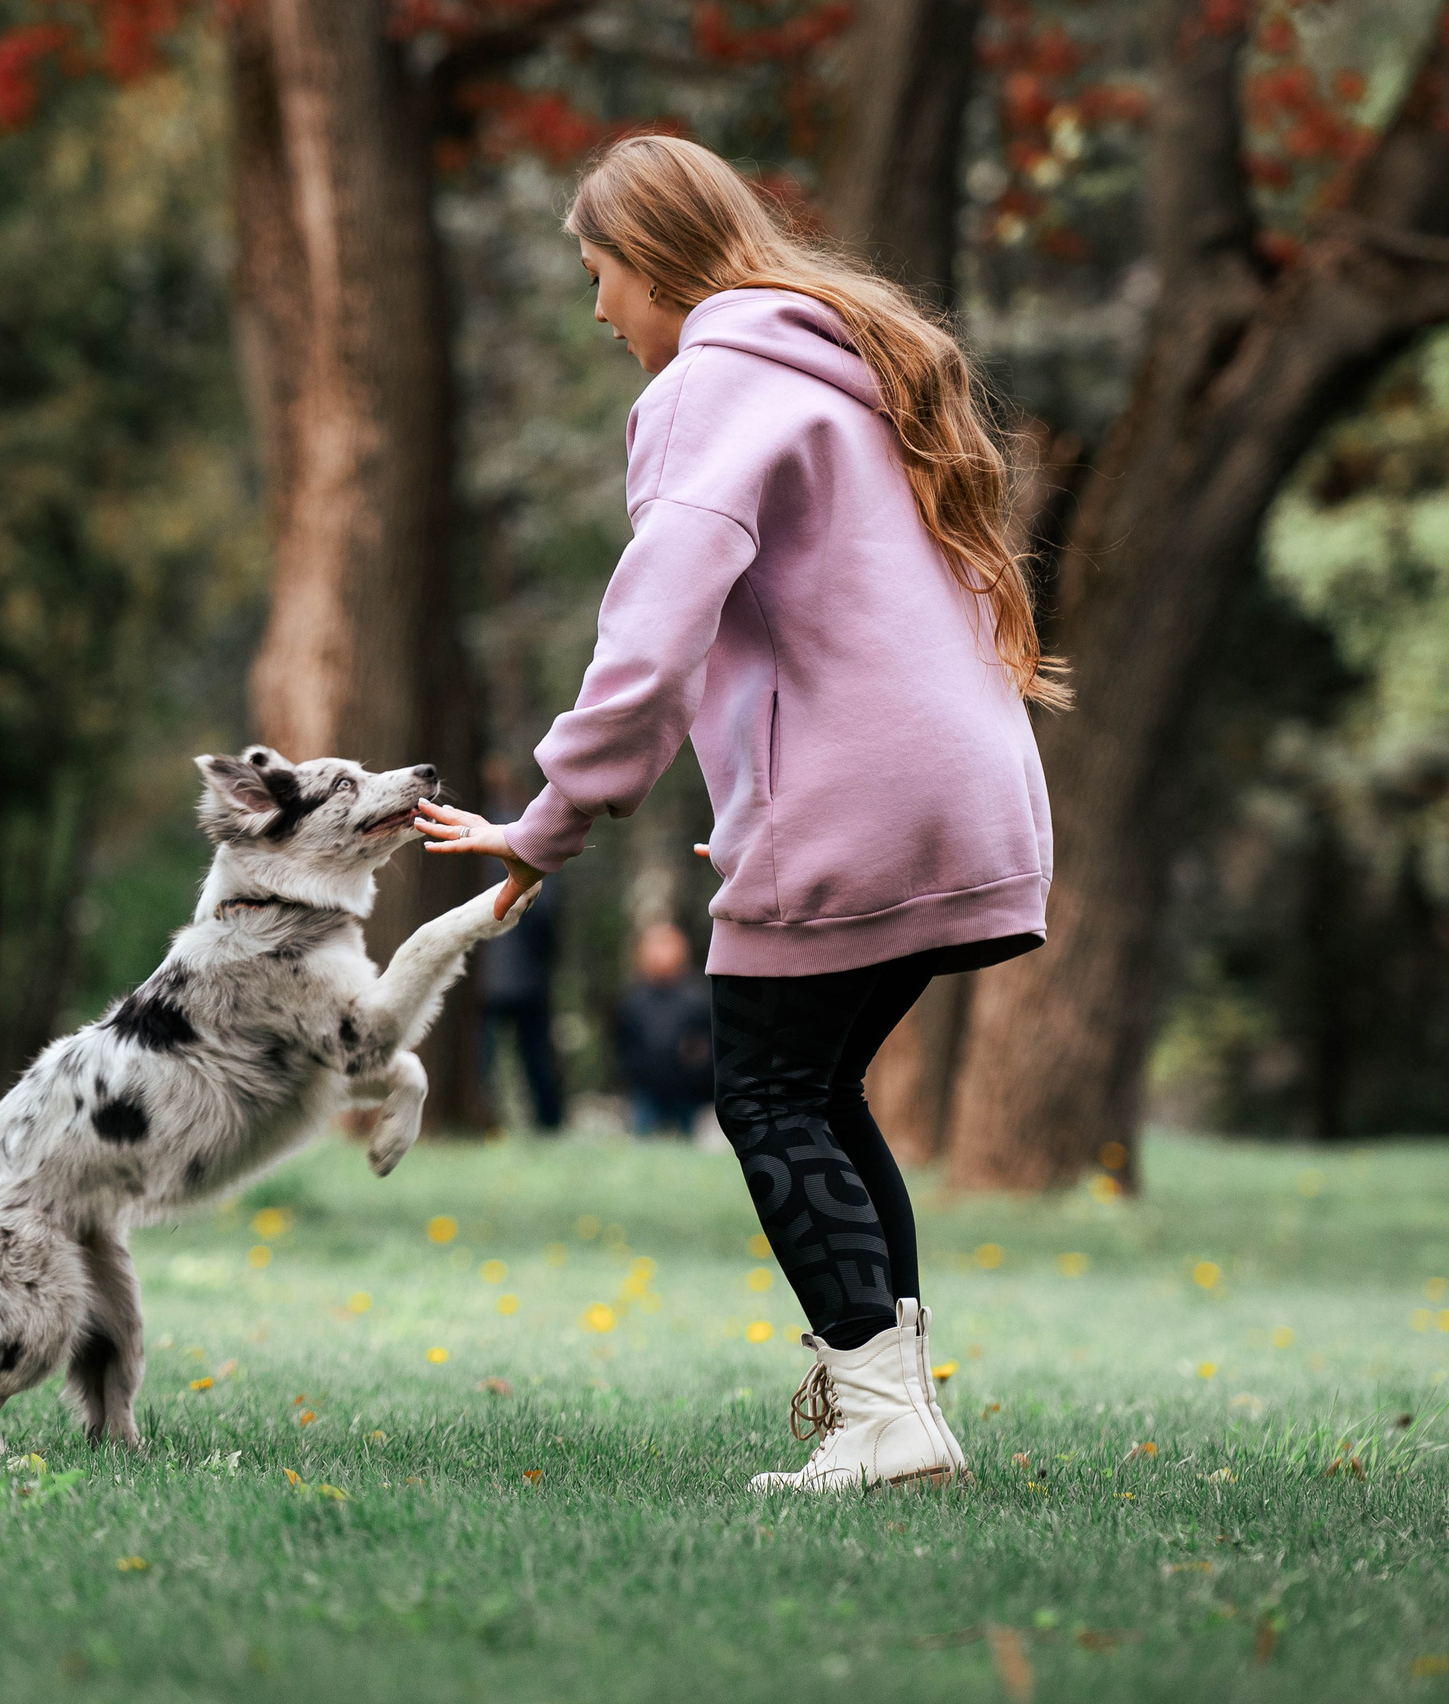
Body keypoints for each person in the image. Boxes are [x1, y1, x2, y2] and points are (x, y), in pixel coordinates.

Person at [416, 135, 1061, 1493]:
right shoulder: (844, 371)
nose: (598, 309)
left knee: (765, 1093)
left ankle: (883, 1419)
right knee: (819, 1089)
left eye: (599, 272)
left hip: (868, 797)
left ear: (653, 264)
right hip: (964, 786)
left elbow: (653, 640)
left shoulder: (710, 385)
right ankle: (892, 1409)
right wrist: (778, 802)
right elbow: (859, 622)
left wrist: (550, 820)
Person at [475, 759, 566, 1132]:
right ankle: (549, 1123)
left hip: (480, 968)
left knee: (481, 1056)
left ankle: (481, 1119)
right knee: (535, 1054)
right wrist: (546, 957)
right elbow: (546, 906)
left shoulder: (466, 833)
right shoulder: (526, 830)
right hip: (526, 971)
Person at [614, 922, 713, 1136]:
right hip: (646, 1092)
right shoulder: (633, 1000)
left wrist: (696, 1073)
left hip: (688, 1093)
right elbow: (623, 1044)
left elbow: (706, 1045)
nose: (661, 955)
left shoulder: (696, 999)